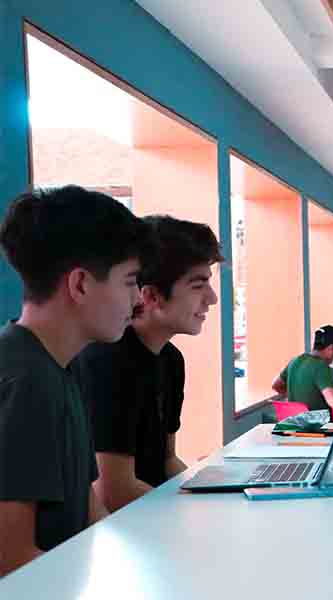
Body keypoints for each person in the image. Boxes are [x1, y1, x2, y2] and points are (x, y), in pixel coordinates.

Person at [0, 186, 152, 576]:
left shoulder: (58, 366)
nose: (138, 300)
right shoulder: (25, 380)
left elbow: (90, 511)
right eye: (130, 282)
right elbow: (12, 563)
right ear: (81, 284)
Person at [73, 216, 223, 512]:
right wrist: (195, 517)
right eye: (198, 285)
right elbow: (113, 491)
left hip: (152, 519)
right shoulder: (106, 360)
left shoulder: (170, 359)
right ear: (151, 295)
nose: (212, 298)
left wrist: (211, 495)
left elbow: (167, 461)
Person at [272, 325, 333, 414]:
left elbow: (276, 385)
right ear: (331, 348)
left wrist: (297, 398)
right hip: (316, 425)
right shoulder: (321, 366)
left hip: (294, 422)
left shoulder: (295, 361)